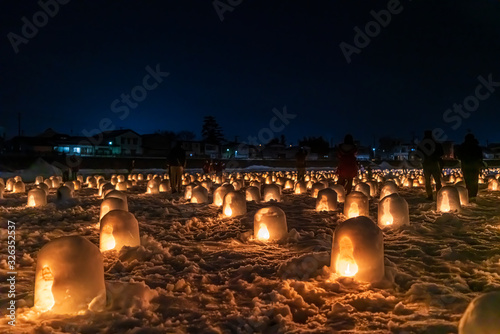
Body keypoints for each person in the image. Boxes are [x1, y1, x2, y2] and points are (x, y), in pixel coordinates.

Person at [417, 130, 444, 200]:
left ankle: (430, 196)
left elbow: (418, 154)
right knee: (438, 180)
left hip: (426, 164)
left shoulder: (422, 144)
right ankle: (439, 195)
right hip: (434, 163)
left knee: (427, 181)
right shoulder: (436, 143)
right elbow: (441, 153)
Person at [456, 133, 483, 199]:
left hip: (466, 166)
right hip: (474, 166)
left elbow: (458, 156)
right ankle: (473, 194)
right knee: (474, 181)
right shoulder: (476, 147)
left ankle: (469, 194)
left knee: (468, 181)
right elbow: (480, 157)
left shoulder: (463, 146)